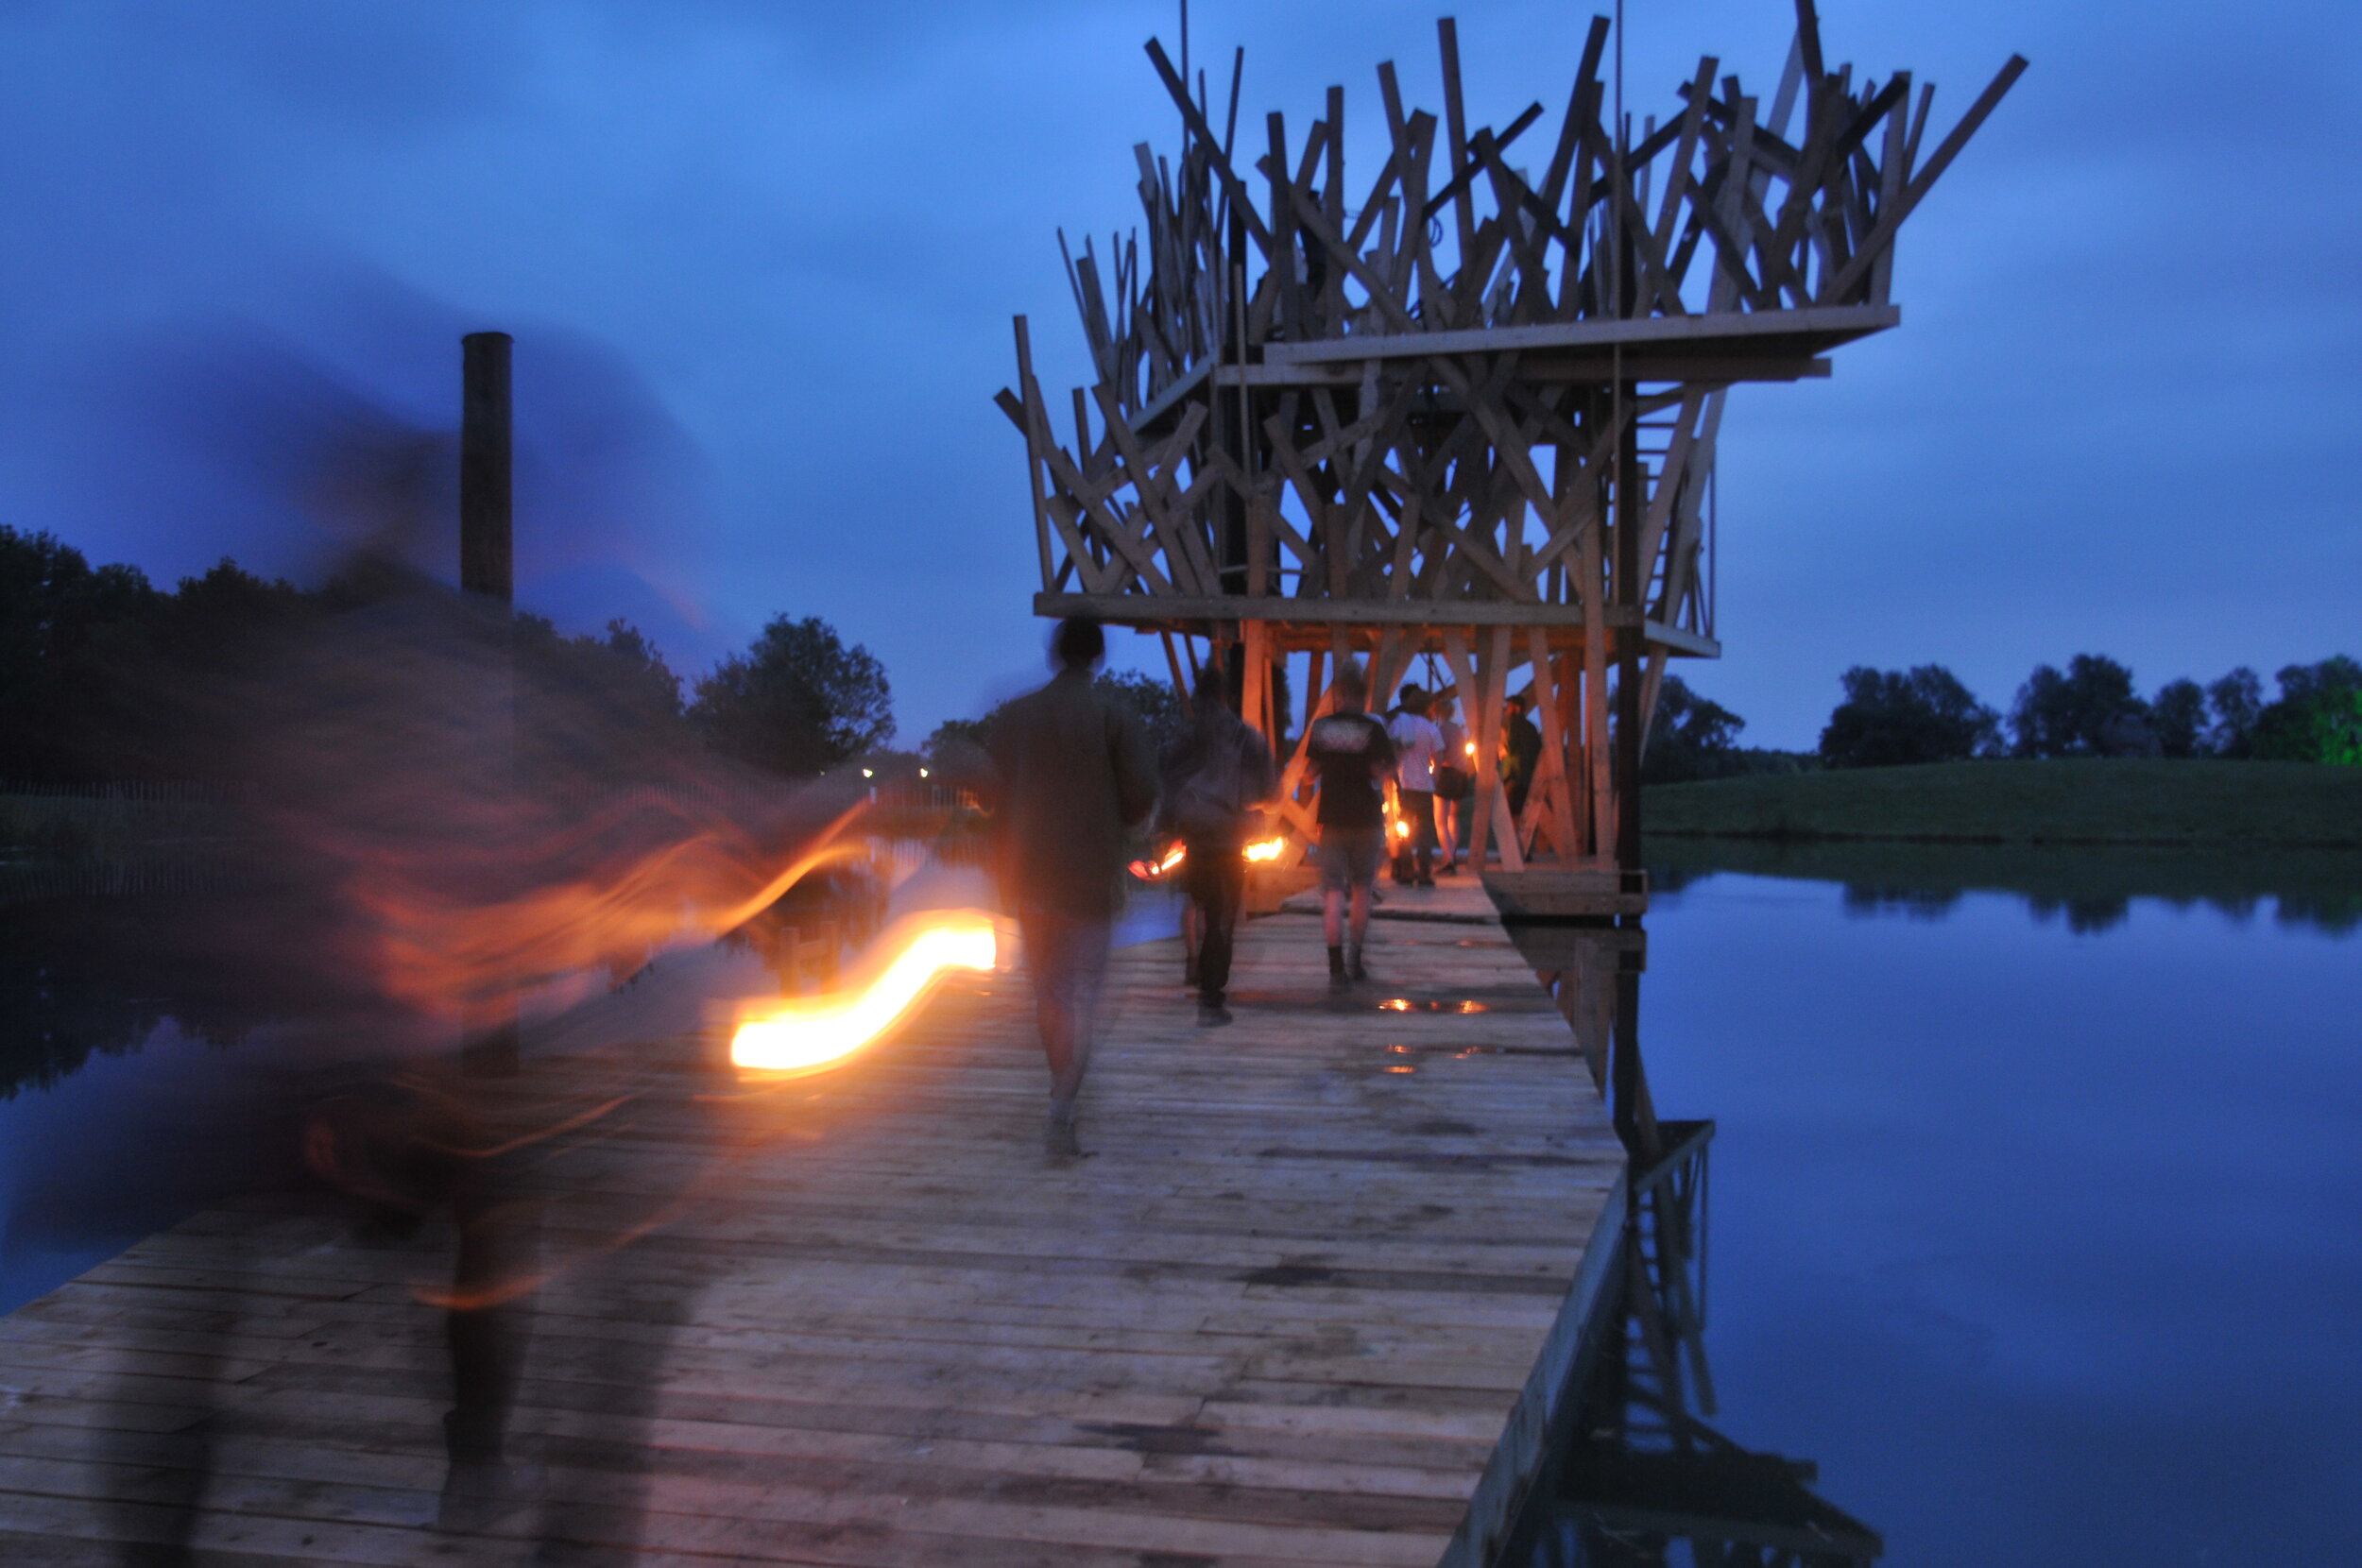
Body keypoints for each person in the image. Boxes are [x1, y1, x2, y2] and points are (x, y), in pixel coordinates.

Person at [985, 618, 1157, 1159]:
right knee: (1083, 993)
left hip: (1032, 874)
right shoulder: (1113, 716)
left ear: (1055, 654)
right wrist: (1124, 826)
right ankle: (1063, 1107)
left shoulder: (1016, 717)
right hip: (1090, 874)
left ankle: (1058, 1087)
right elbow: (1141, 795)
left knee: (1050, 992)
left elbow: (992, 793)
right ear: (1099, 657)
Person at [1157, 666, 1276, 1027]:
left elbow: (1164, 783)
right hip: (1228, 837)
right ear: (1228, 696)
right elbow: (1266, 791)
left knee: (1197, 904)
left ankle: (1192, 961)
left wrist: (1165, 830)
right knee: (1221, 917)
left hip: (1193, 837)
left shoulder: (1184, 734)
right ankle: (1211, 997)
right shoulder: (1245, 736)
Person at [1306, 660, 1395, 990]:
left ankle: (1335, 970)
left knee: (1332, 893)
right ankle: (1355, 959)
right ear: (1364, 694)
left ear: (1339, 694)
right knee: (1361, 890)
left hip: (1331, 820)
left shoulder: (1323, 727)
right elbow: (1381, 773)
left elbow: (1309, 774)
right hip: (1366, 819)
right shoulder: (1373, 729)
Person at [1386, 684, 1444, 887]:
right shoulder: (1431, 729)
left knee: (1404, 829)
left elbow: (1392, 755)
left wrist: (1395, 780)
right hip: (1425, 787)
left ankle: (1406, 871)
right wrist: (1433, 781)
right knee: (1425, 830)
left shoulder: (1399, 725)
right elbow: (1438, 759)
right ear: (1427, 707)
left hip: (1404, 785)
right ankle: (1425, 873)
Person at [1432, 692, 1468, 874]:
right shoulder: (1458, 729)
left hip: (1446, 774)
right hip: (1461, 775)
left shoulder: (1440, 729)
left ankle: (1448, 860)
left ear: (1437, 712)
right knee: (1453, 817)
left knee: (1440, 821)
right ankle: (1452, 853)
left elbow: (1439, 753)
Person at [1502, 691, 1544, 821]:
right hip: (1529, 776)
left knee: (1511, 814)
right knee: (1522, 814)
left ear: (1517, 708)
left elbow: (1511, 748)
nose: (1506, 709)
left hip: (1515, 777)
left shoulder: (1515, 724)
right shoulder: (1531, 727)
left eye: (1509, 706)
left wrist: (1501, 740)